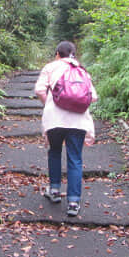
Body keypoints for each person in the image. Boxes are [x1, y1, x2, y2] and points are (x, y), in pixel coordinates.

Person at [34, 41, 98, 216]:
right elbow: (93, 97)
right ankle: (73, 202)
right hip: (78, 121)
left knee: (54, 151)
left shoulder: (50, 67)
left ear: (57, 54)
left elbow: (39, 90)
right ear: (74, 55)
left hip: (55, 119)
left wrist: (49, 103)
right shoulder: (82, 71)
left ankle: (54, 190)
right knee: (75, 158)